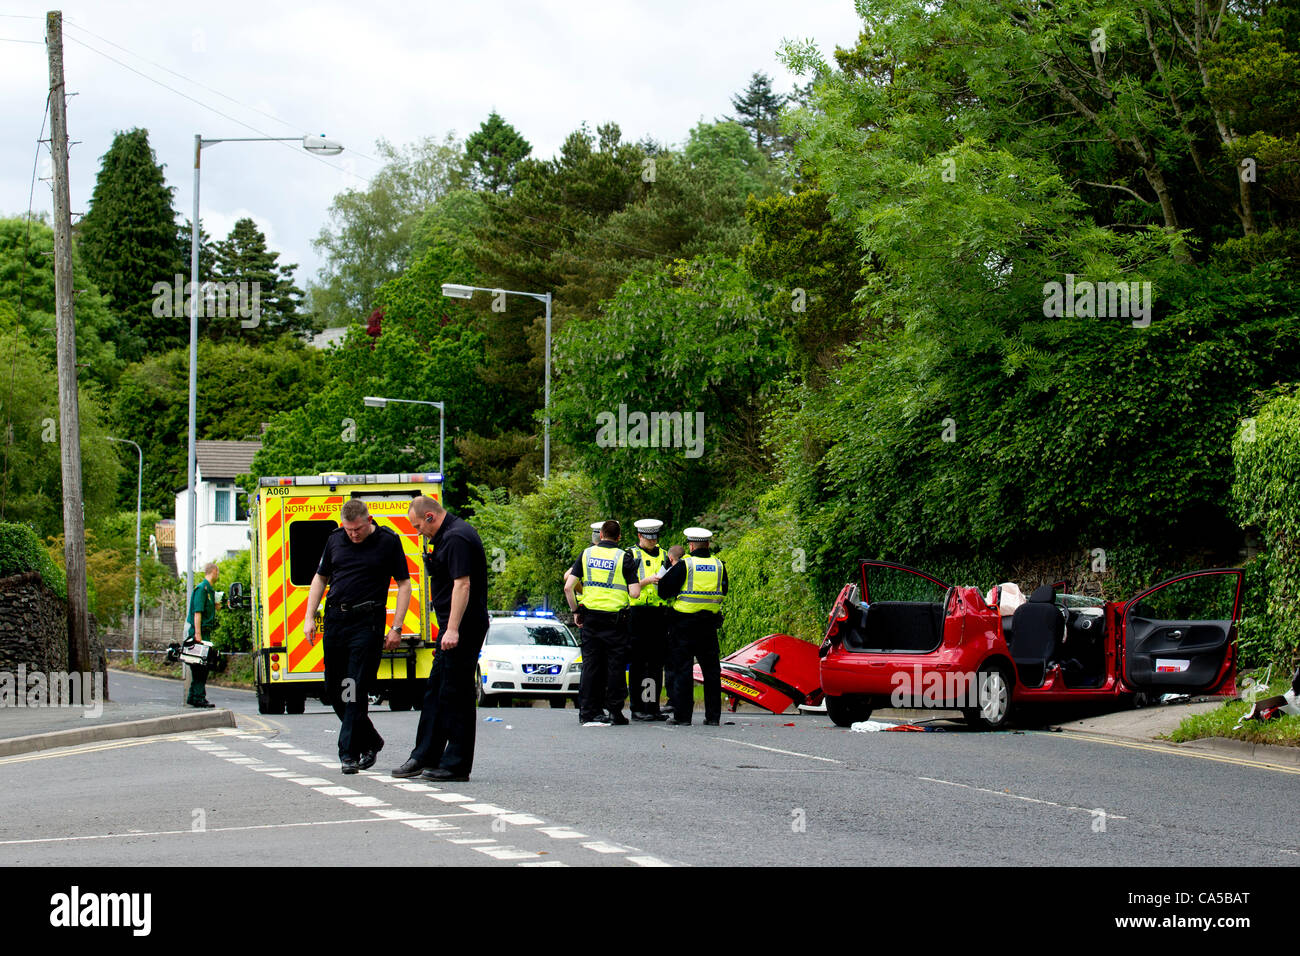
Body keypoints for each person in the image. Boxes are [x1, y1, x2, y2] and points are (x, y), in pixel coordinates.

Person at [304, 499, 411, 775]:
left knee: (354, 686)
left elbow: (404, 584)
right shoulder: (335, 540)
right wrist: (308, 617)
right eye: (349, 530)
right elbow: (320, 578)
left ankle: (348, 753)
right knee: (334, 688)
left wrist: (396, 627)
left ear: (369, 520)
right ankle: (371, 740)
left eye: (358, 529)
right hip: (336, 621)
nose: (354, 535)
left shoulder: (388, 541)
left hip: (368, 622)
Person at [392, 495, 490, 782]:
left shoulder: (457, 537)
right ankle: (425, 755)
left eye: (418, 525)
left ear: (431, 517)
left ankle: (456, 765)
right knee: (436, 691)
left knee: (457, 694)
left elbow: (463, 585)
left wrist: (453, 629)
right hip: (452, 627)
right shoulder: (447, 536)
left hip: (463, 627)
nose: (417, 531)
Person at [564, 519, 641, 726]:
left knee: (591, 665)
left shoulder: (587, 554)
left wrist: (575, 611)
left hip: (590, 619)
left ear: (600, 535)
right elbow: (634, 592)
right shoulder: (624, 557)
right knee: (615, 667)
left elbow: (568, 586)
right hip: (615, 622)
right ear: (618, 537)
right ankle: (614, 712)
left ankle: (587, 712)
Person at [657, 527, 727, 726]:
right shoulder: (719, 565)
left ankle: (683, 716)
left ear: (691, 545)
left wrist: (666, 570)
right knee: (712, 671)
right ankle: (713, 717)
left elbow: (663, 591)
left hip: (684, 625)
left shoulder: (685, 565)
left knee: (682, 670)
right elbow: (724, 590)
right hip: (709, 625)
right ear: (708, 544)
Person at [626, 518, 670, 721]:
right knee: (638, 662)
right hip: (638, 613)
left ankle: (652, 706)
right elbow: (626, 584)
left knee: (654, 663)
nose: (652, 541)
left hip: (658, 613)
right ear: (639, 536)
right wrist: (645, 581)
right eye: (648, 538)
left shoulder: (663, 554)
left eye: (654, 538)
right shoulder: (630, 555)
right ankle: (637, 707)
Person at [184, 562, 220, 708]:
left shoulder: (209, 590)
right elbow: (197, 613)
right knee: (200, 666)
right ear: (213, 571)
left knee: (201, 665)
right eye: (217, 572)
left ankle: (194, 696)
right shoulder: (202, 589)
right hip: (199, 633)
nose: (218, 575)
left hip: (205, 632)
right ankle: (198, 697)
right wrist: (197, 634)